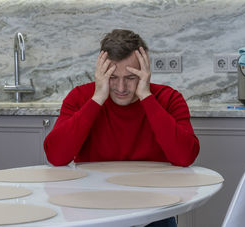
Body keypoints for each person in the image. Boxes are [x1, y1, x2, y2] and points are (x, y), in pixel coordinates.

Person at [44, 29, 200, 227]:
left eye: (131, 77)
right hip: (92, 208)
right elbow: (56, 157)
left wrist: (146, 96)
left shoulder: (168, 99)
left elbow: (185, 156)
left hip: (155, 209)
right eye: (112, 77)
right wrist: (98, 98)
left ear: (145, 73)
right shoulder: (80, 98)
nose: (121, 87)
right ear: (101, 72)